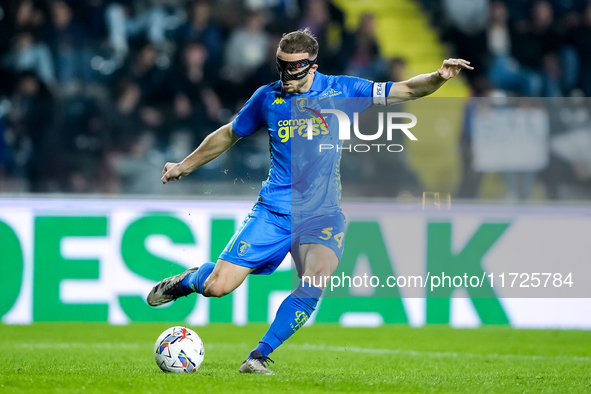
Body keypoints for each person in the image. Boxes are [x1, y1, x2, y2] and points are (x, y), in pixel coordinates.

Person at [146, 28, 472, 374]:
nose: (285, 75)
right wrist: (184, 165)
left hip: (322, 215)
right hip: (274, 212)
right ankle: (191, 280)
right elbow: (229, 133)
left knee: (316, 278)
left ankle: (257, 357)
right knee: (217, 288)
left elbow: (405, 89)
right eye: (280, 67)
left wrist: (439, 76)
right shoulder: (267, 98)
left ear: (311, 66)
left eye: (293, 68)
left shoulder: (342, 90)